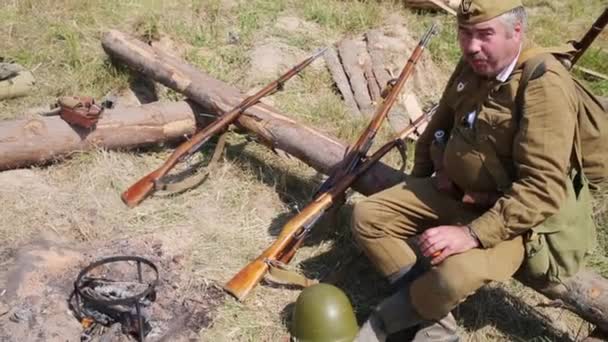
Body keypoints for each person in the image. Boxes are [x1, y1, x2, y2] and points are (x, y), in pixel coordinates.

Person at [351, 0, 597, 340]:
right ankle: (432, 314)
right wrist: (421, 183)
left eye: (484, 34)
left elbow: (541, 188)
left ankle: (395, 321)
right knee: (368, 217)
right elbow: (440, 126)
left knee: (452, 275)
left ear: (517, 32)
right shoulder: (474, 65)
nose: (471, 46)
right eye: (464, 34)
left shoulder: (543, 84)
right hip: (454, 192)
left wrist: (471, 235)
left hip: (510, 221)